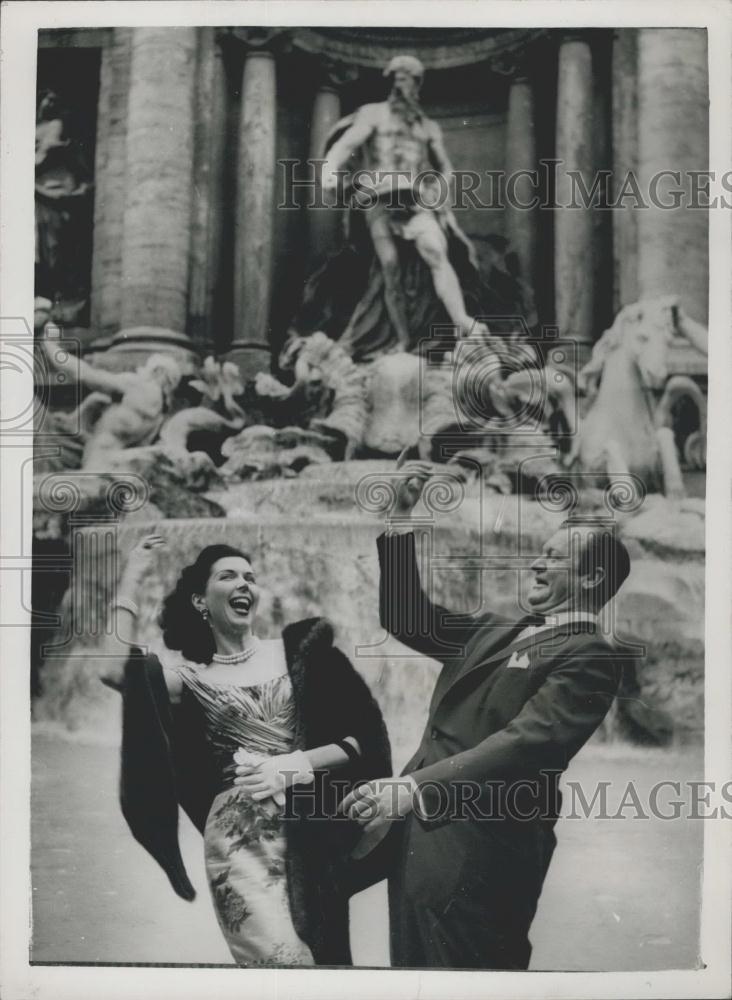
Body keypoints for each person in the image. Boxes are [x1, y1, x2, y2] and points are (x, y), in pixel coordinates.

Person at [341, 460, 633, 969]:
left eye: (554, 558)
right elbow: (407, 619)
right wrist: (402, 519)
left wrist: (411, 789)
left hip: (485, 849)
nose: (537, 565)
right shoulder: (498, 627)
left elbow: (527, 743)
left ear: (594, 576)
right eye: (539, 554)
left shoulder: (590, 653)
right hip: (421, 835)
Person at [98, 535, 391, 967]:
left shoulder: (300, 656)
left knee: (327, 964)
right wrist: (131, 580)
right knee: (281, 964)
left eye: (250, 577)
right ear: (201, 600)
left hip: (312, 831)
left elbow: (362, 735)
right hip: (238, 843)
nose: (244, 584)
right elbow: (110, 670)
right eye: (228, 575)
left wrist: (295, 765)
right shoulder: (188, 678)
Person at [319, 54, 490, 357]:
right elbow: (345, 146)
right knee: (390, 266)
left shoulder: (428, 128)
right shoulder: (372, 114)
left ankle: (461, 318)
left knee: (436, 250)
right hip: (378, 196)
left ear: (417, 85)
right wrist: (329, 172)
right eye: (397, 79)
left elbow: (446, 169)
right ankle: (402, 340)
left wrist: (436, 191)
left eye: (408, 79)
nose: (402, 85)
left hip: (416, 198)